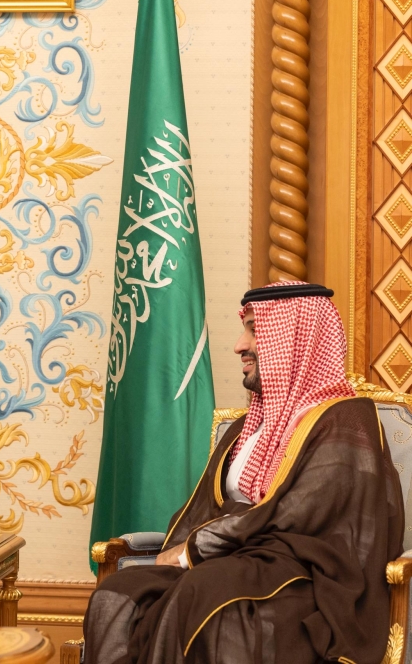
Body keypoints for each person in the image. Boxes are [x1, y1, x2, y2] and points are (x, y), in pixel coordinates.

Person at [83, 281, 404, 664]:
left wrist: (193, 552)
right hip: (227, 563)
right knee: (118, 594)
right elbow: (206, 506)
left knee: (200, 598)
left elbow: (295, 515)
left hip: (303, 579)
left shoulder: (346, 420)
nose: (239, 344)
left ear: (295, 340)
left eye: (254, 329)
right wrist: (195, 550)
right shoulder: (248, 425)